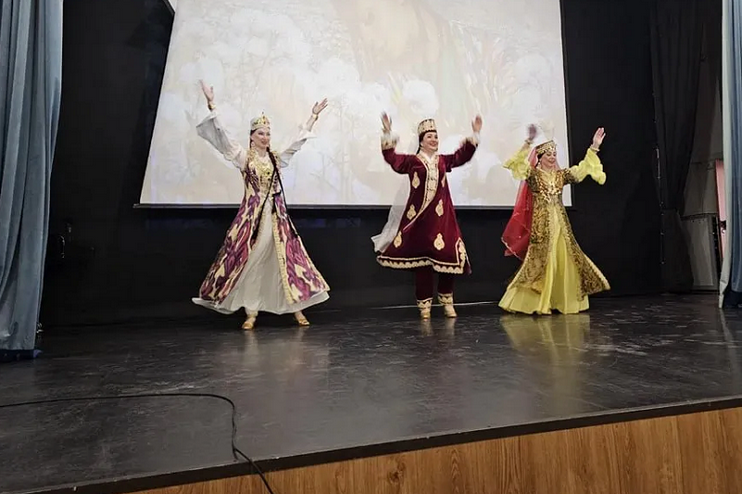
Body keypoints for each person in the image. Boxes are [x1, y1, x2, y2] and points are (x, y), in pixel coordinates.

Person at [191, 81, 330, 330]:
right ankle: (251, 312)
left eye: (268, 134)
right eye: (261, 134)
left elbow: (296, 143)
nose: (265, 138)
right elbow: (223, 137)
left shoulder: (276, 158)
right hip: (252, 218)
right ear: (252, 136)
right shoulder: (244, 157)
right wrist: (212, 104)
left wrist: (313, 116)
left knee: (286, 261)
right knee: (251, 261)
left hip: (277, 217)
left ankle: (296, 309)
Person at [373, 113, 482, 319]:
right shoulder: (412, 161)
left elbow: (461, 157)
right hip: (420, 221)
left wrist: (475, 134)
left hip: (442, 220)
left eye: (436, 136)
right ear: (421, 141)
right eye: (430, 136)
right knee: (423, 264)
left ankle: (447, 301)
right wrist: (387, 132)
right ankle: (424, 306)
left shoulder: (443, 161)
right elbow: (392, 158)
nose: (434, 140)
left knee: (448, 259)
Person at [499, 124, 610, 315]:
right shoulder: (533, 175)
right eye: (548, 154)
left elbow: (581, 170)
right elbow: (515, 163)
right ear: (540, 157)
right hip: (541, 226)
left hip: (561, 224)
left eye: (554, 154)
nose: (552, 157)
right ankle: (536, 303)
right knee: (541, 261)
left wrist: (594, 147)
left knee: (564, 258)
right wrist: (528, 142)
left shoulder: (561, 176)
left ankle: (561, 301)